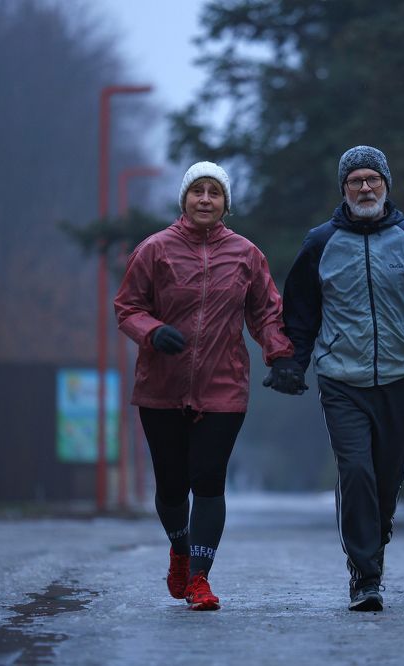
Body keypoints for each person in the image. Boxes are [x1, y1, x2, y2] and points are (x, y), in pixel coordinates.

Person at [278, 145, 404, 611]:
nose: (365, 187)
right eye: (356, 181)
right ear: (343, 189)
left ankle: (374, 537)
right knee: (355, 470)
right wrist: (291, 362)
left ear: (387, 185)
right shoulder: (320, 243)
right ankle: (365, 577)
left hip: (401, 375)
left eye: (373, 179)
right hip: (340, 377)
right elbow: (300, 313)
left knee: (385, 481)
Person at [114, 161, 303, 611]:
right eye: (196, 191)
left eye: (213, 193)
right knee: (172, 487)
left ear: (225, 204)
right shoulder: (154, 250)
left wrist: (281, 357)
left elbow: (266, 313)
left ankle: (199, 578)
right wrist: (152, 331)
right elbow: (127, 306)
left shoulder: (245, 255)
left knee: (209, 480)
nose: (204, 199)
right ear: (184, 199)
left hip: (223, 386)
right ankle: (180, 550)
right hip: (161, 386)